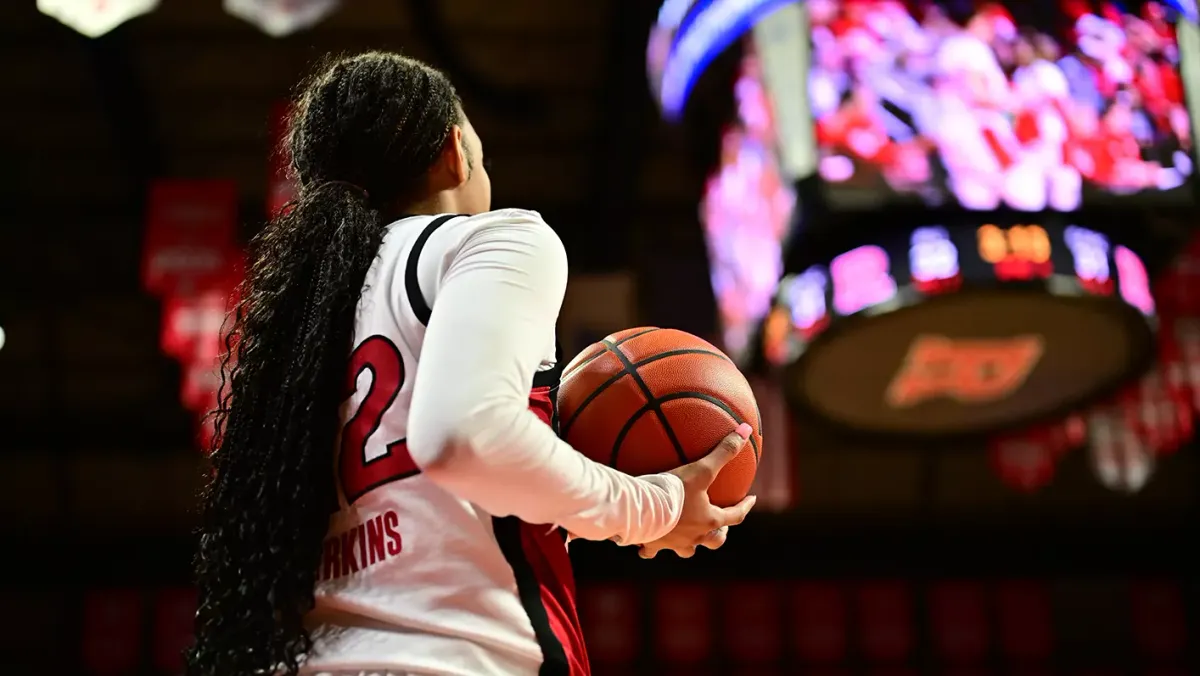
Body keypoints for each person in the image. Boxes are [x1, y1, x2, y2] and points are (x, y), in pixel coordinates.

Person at [186, 51, 757, 676]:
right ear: (455, 152)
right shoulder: (494, 238)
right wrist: (657, 504)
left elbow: (433, 492)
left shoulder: (307, 320)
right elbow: (465, 439)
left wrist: (584, 504)